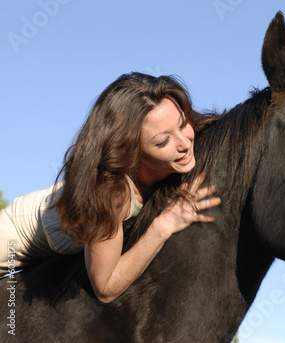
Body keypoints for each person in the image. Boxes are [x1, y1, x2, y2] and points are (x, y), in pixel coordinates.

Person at [0, 72, 221, 303]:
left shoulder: (186, 144)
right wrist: (164, 225)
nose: (185, 144)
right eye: (163, 141)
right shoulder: (114, 193)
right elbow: (105, 288)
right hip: (16, 233)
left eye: (183, 123)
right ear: (131, 150)